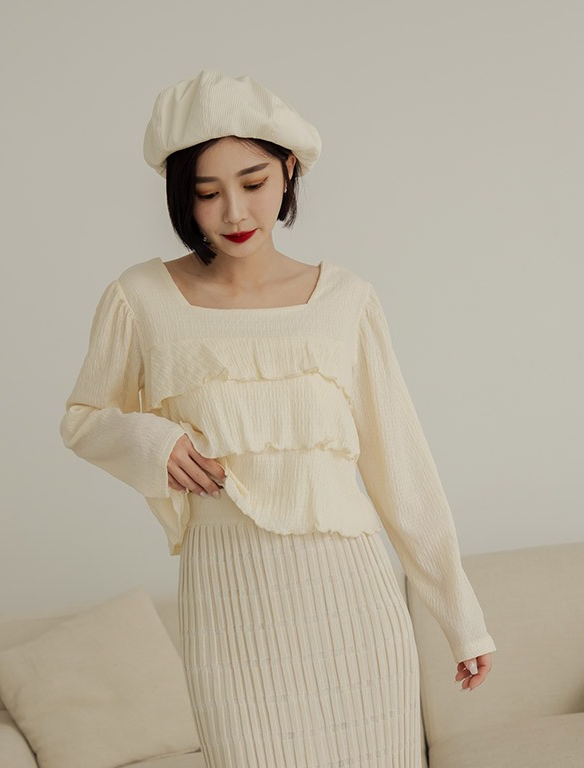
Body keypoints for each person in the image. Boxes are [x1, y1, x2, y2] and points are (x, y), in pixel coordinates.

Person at [60, 69, 496, 767]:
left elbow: (401, 466)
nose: (234, 211)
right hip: (229, 611)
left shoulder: (346, 300)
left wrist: (460, 617)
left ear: (289, 169)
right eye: (207, 193)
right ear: (181, 195)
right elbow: (84, 418)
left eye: (254, 182)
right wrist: (151, 440)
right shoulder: (141, 298)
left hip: (355, 608)